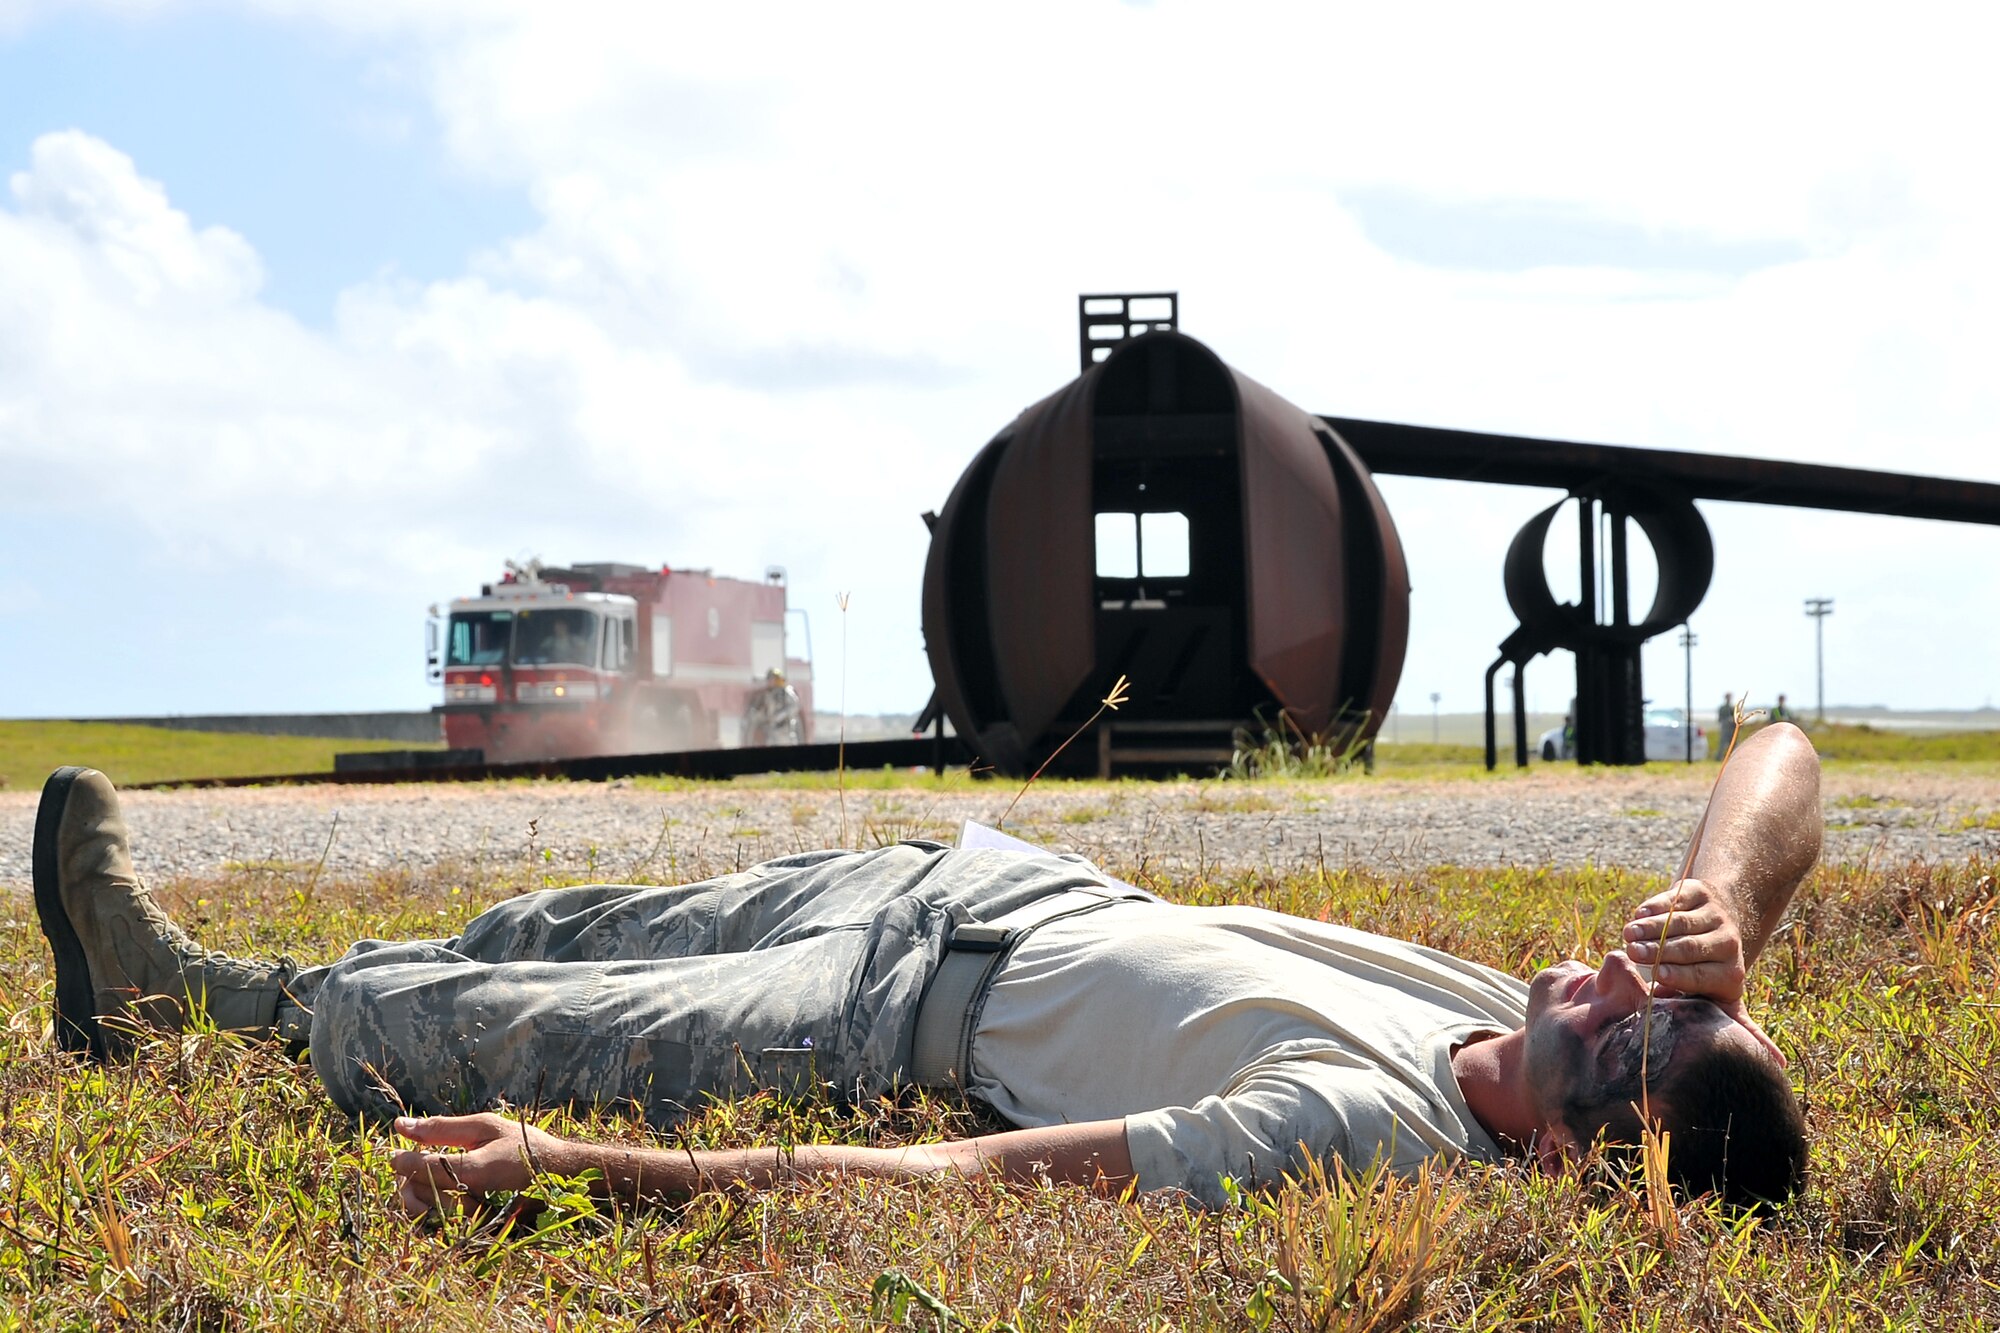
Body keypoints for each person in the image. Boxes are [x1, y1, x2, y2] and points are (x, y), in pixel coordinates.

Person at [29, 726, 1819, 1218]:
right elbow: (1786, 755)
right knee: (542, 924)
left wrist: (590, 1169)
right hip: (963, 883)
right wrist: (1726, 912)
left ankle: (182, 996)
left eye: (1618, 1034)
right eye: (1641, 987)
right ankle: (199, 990)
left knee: (489, 1022)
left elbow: (958, 1169)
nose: (1597, 974)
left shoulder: (1362, 1134)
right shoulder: (1611, 1020)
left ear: (1599, 1155)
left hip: (886, 1011)